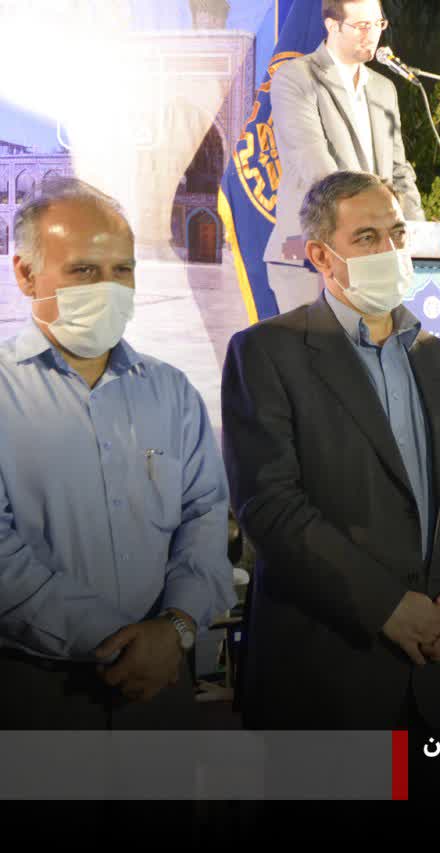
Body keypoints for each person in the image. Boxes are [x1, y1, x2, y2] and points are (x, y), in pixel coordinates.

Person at [221, 171, 440, 817]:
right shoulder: (267, 353)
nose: (390, 250)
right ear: (321, 256)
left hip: (438, 675)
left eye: (396, 233)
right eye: (367, 237)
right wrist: (385, 606)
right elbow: (270, 506)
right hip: (328, 681)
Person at [0, 179, 234, 729]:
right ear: (25, 275)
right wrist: (117, 641)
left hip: (163, 684)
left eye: (122, 270)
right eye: (84, 270)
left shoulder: (172, 392)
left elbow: (204, 517)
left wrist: (174, 629)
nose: (108, 288)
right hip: (35, 695)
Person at [265, 0, 424, 312]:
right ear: (332, 25)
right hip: (313, 256)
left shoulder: (384, 89)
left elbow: (398, 171)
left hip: (377, 257)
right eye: (361, 26)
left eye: (378, 24)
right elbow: (319, 172)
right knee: (321, 344)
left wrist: (418, 234)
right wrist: (371, 227)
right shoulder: (296, 78)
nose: (372, 34)